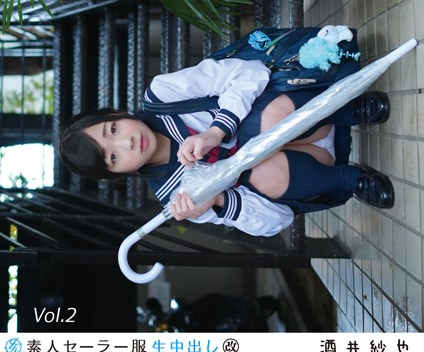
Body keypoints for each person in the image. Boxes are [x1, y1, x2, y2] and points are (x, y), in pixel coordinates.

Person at [59, 28, 394, 237]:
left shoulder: (162, 96)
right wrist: (217, 200)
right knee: (254, 171)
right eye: (114, 156)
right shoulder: (176, 196)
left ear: (116, 113)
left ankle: (350, 110)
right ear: (116, 175)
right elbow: (277, 222)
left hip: (307, 111)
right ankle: (350, 180)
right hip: (312, 165)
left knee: (257, 126)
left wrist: (217, 131)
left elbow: (249, 73)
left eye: (113, 129)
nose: (128, 142)